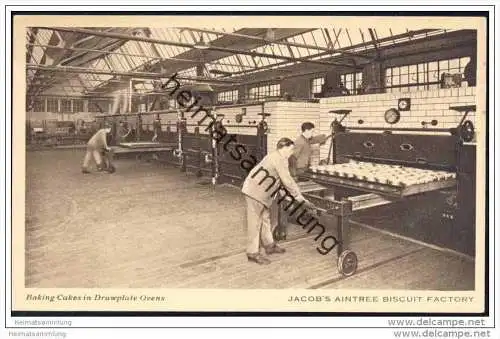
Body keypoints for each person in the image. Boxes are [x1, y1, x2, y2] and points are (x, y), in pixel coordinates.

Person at [241, 137, 313, 265]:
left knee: (265, 219)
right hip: (254, 192)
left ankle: (269, 246)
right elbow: (287, 180)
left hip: (263, 193)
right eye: (291, 149)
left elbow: (279, 180)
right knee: (255, 223)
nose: (292, 152)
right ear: (283, 148)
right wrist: (298, 196)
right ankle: (252, 253)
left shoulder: (279, 157)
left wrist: (287, 194)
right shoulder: (277, 159)